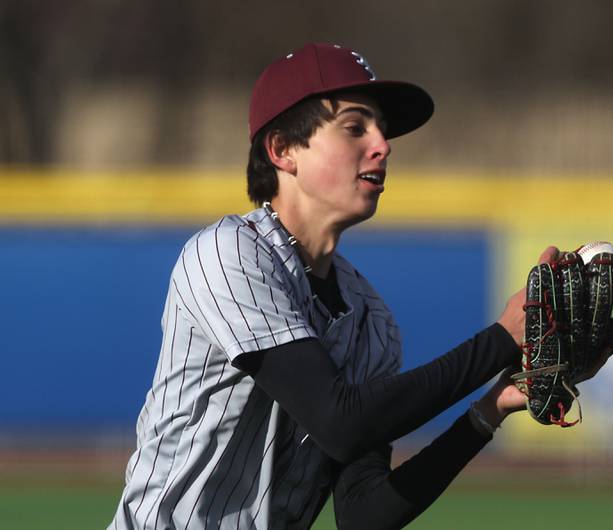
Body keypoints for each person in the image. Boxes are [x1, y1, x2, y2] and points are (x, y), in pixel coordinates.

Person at [109, 42, 558, 530]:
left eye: (383, 130)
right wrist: (502, 339)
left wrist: (489, 410)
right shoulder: (227, 253)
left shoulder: (372, 323)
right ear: (282, 150)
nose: (381, 144)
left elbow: (365, 514)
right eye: (354, 127)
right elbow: (339, 421)